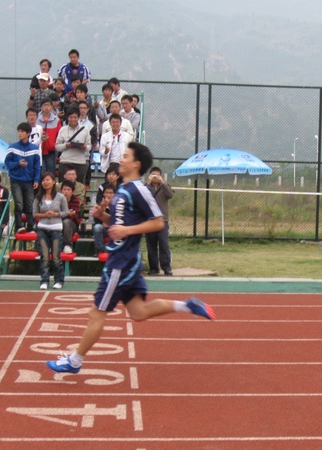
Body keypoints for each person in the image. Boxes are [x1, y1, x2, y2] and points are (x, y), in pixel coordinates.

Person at [46, 142, 215, 374]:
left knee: (96, 313)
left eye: (126, 156)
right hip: (125, 260)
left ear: (136, 164)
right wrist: (103, 217)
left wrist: (127, 230)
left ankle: (74, 361)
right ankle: (187, 306)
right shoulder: (123, 189)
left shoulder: (139, 190)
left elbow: (158, 222)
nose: (121, 159)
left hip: (120, 263)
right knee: (138, 312)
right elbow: (118, 224)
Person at [34, 172, 68, 290]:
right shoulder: (38, 197)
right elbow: (34, 213)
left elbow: (65, 212)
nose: (45, 182)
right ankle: (44, 280)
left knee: (56, 256)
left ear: (54, 182)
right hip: (42, 228)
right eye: (43, 180)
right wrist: (45, 215)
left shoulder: (60, 197)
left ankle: (59, 280)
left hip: (56, 228)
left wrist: (55, 214)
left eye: (48, 180)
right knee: (44, 256)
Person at [5, 122, 41, 233]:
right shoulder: (12, 147)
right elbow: (7, 163)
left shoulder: (34, 148)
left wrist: (36, 179)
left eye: (22, 132)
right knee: (19, 204)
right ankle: (19, 226)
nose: (19, 134)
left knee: (30, 204)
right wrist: (18, 164)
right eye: (18, 131)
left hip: (29, 181)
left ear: (28, 133)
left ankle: (30, 227)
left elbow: (37, 166)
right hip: (15, 180)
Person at [145, 167, 174, 276]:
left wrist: (163, 183)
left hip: (162, 220)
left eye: (157, 175)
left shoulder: (165, 187)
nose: (155, 177)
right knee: (151, 246)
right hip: (150, 220)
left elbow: (170, 195)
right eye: (153, 175)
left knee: (164, 244)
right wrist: (148, 183)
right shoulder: (146, 187)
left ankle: (166, 267)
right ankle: (153, 268)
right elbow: (142, 196)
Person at [55, 107, 91, 183]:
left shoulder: (85, 130)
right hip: (65, 161)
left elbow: (89, 146)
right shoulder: (63, 129)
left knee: (78, 186)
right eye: (71, 117)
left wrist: (84, 147)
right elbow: (57, 146)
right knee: (63, 185)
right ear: (67, 118)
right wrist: (66, 145)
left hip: (80, 162)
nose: (73, 119)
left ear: (78, 117)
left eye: (75, 117)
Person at [36, 97, 62, 175]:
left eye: (48, 105)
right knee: (41, 172)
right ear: (41, 107)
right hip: (39, 150)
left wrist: (54, 145)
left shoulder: (56, 120)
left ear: (51, 107)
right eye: (44, 105)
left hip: (51, 151)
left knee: (51, 172)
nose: (46, 107)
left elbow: (59, 135)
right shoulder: (36, 120)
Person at [92, 184, 114, 256]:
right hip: (104, 229)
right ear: (103, 194)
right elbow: (97, 222)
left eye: (111, 193)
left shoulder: (118, 206)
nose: (108, 195)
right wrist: (103, 207)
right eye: (106, 193)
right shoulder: (99, 206)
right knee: (97, 227)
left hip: (115, 229)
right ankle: (99, 250)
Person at [60, 179, 81, 254]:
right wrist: (66, 213)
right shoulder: (57, 200)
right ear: (61, 191)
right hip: (58, 222)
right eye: (64, 189)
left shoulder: (76, 200)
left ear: (72, 192)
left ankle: (67, 245)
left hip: (71, 224)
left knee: (66, 222)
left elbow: (72, 216)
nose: (66, 192)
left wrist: (62, 214)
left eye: (68, 190)